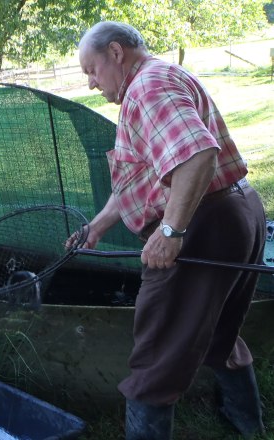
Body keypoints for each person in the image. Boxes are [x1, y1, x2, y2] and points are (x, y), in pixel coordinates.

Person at [76, 21, 266, 439]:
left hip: (206, 223)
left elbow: (198, 156)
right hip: (239, 210)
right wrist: (98, 226)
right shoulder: (162, 77)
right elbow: (144, 176)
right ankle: (248, 426)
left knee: (155, 355)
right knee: (220, 331)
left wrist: (172, 231)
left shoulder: (148, 87)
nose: (91, 84)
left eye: (91, 70)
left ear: (116, 53)